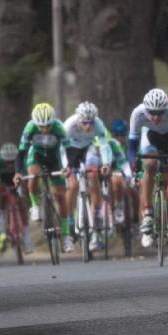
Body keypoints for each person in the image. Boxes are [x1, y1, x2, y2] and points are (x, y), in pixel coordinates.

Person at [128, 88, 168, 248]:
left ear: (165, 109)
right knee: (149, 165)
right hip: (150, 138)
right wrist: (134, 165)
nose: (155, 117)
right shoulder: (138, 114)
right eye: (152, 113)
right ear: (146, 109)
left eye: (160, 113)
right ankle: (147, 214)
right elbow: (132, 146)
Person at [13, 103, 74, 252]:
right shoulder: (30, 128)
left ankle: (66, 235)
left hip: (54, 159)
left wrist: (69, 166)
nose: (45, 130)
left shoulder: (59, 128)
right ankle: (34, 205)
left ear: (53, 122)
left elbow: (69, 150)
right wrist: (18, 172)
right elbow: (21, 153)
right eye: (41, 127)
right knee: (33, 175)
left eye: (48, 126)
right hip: (36, 157)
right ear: (35, 123)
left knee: (60, 196)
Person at [64, 101, 113, 253]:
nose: (88, 126)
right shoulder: (69, 125)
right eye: (84, 123)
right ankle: (69, 220)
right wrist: (66, 166)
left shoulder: (98, 124)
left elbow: (104, 145)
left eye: (90, 122)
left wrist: (106, 163)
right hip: (71, 149)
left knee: (93, 175)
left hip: (88, 148)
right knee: (72, 184)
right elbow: (61, 148)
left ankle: (96, 214)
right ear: (78, 119)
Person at [0, 142, 32, 253]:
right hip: (3, 183)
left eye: (12, 161)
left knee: (22, 203)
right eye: (7, 162)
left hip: (16, 183)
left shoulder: (21, 161)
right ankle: (1, 229)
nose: (9, 164)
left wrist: (24, 188)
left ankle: (27, 236)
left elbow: (26, 177)